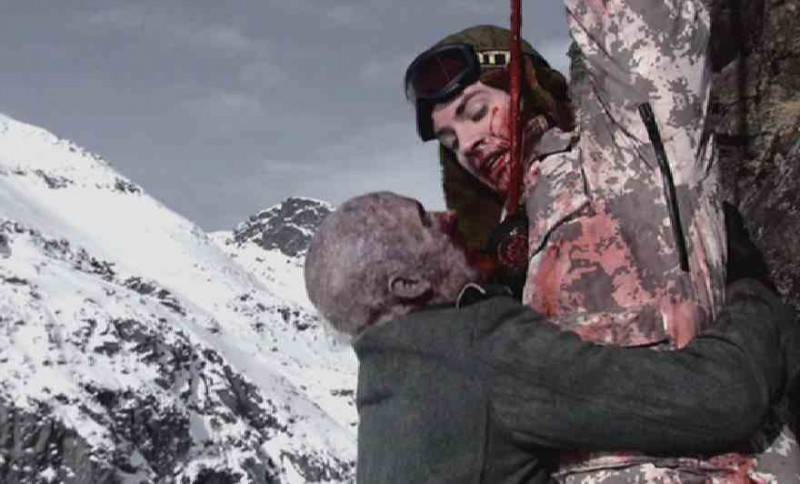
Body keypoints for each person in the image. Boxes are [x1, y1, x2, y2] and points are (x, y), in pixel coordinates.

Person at [403, 2, 799, 480]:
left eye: (476, 112)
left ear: (527, 86)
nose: (467, 144)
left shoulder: (622, 157)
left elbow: (644, 37)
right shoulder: (487, 274)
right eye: (449, 141)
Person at [304, 192, 799, 483]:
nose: (447, 216)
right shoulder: (476, 348)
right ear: (408, 286)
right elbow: (721, 396)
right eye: (424, 220)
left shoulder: (387, 386)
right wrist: (748, 287)